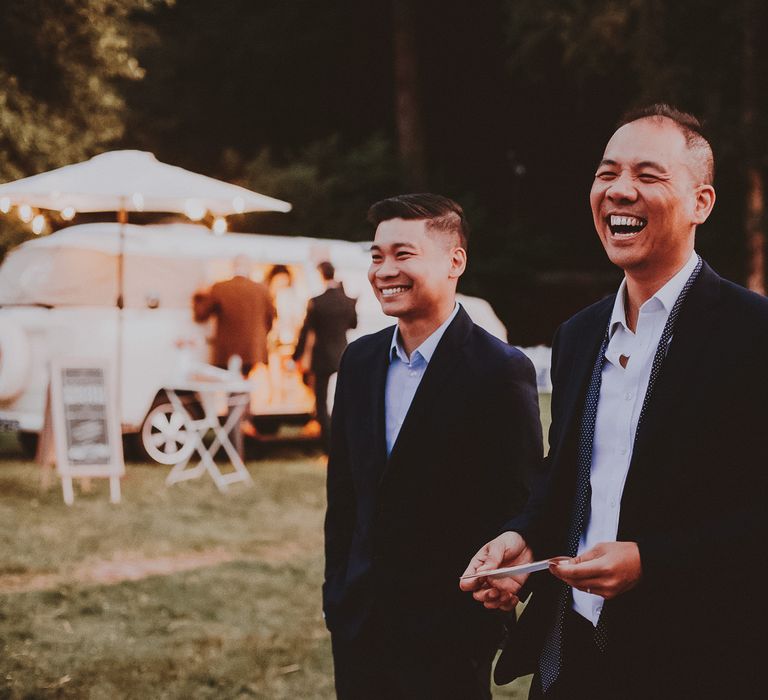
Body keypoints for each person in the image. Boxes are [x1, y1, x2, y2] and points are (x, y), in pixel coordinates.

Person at [460, 104, 768, 699]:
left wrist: (652, 561)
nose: (620, 190)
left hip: (702, 655)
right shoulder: (579, 333)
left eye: (649, 176)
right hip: (571, 650)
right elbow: (569, 476)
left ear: (701, 203)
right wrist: (523, 539)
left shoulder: (751, 333)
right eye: (607, 173)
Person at [325, 193, 542, 699]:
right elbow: (344, 499)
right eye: (376, 256)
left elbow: (523, 501)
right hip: (360, 625)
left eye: (403, 254)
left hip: (449, 633)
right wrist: (338, 597)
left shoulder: (498, 370)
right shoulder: (359, 362)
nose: (384, 270)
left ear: (455, 262)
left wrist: (493, 605)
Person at [192, 255, 274, 455]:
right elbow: (271, 318)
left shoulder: (220, 288)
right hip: (252, 351)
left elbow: (201, 314)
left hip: (228, 352)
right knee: (242, 391)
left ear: (233, 268)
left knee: (234, 394)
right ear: (249, 268)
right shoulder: (262, 289)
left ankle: (235, 444)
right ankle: (243, 433)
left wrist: (197, 295)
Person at [293, 261, 358, 453]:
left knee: (321, 402)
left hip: (322, 357)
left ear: (321, 275)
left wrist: (295, 356)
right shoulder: (348, 300)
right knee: (343, 400)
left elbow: (306, 331)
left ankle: (329, 447)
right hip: (342, 353)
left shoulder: (316, 301)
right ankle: (344, 442)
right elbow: (353, 325)